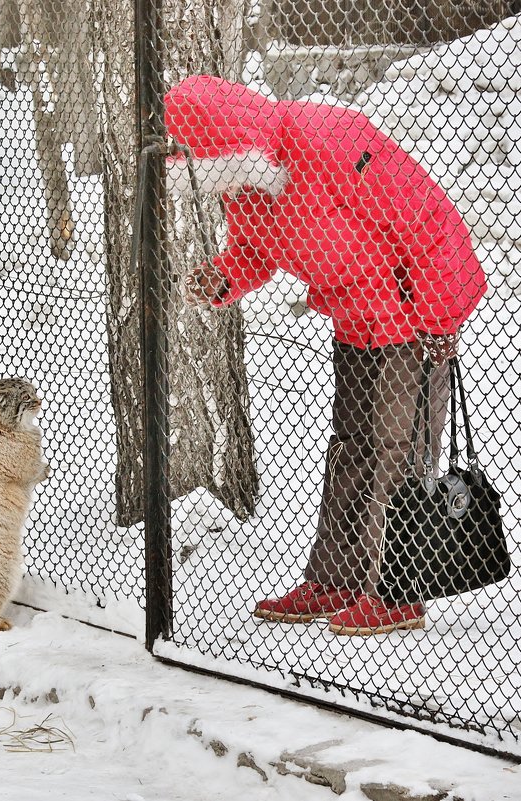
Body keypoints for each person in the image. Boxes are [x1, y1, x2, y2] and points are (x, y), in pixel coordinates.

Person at [164, 75, 488, 636]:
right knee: (352, 449)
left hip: (415, 315)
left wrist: (438, 320)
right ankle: (337, 579)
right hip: (356, 318)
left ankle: (398, 591)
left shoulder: (328, 139)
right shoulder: (243, 180)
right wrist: (224, 277)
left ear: (226, 144)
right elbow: (253, 249)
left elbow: (423, 218)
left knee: (399, 450)